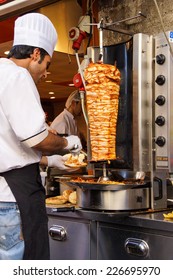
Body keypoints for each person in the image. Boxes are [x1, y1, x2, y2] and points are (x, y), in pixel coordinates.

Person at [0, 13, 82, 260]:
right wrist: (68, 144)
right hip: (13, 198)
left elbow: (9, 143)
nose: (46, 72)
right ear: (35, 54)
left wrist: (46, 161)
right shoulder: (18, 76)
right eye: (47, 63)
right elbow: (36, 140)